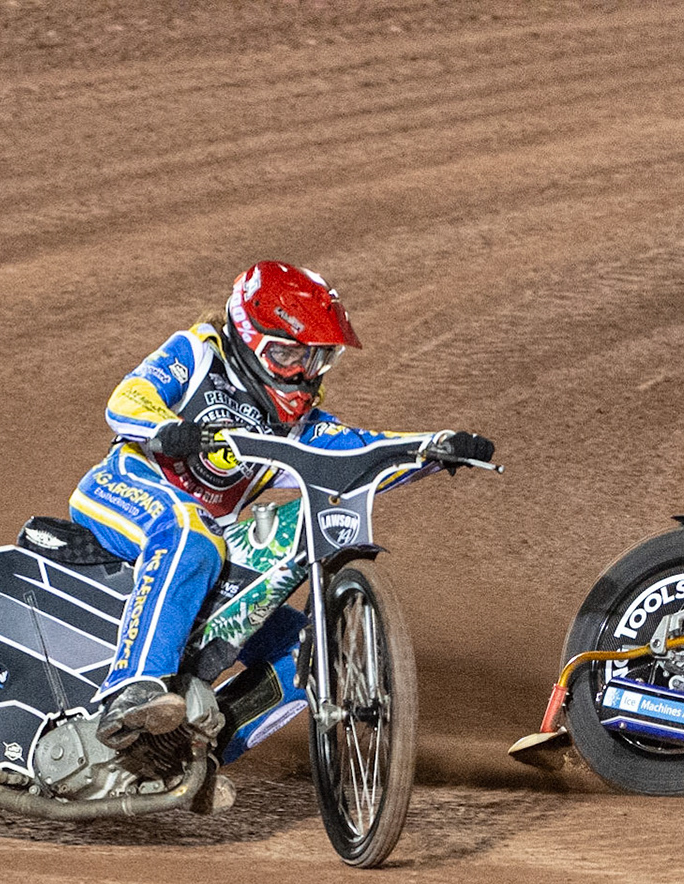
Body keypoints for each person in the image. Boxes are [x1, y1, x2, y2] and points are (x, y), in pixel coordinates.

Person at [70, 260, 493, 748]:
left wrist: (435, 449)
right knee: (189, 533)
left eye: (316, 359)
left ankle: (190, 754)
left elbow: (360, 454)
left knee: (312, 651)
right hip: (122, 489)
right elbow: (128, 398)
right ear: (250, 336)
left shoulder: (298, 425)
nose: (303, 374)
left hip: (211, 537)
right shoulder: (198, 353)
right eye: (291, 355)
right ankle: (132, 689)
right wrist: (166, 430)